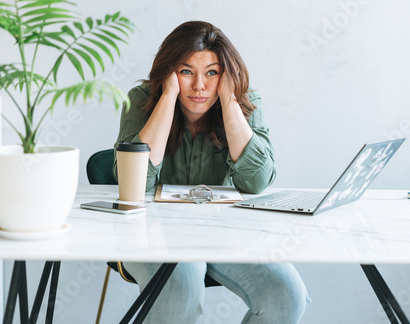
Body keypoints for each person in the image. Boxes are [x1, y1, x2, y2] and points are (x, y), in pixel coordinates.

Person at [114, 21, 310, 323]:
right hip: (150, 234)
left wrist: (230, 100)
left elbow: (257, 182)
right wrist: (167, 98)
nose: (199, 86)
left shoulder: (246, 101)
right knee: (183, 274)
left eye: (212, 73)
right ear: (169, 73)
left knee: (286, 294)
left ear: (226, 75)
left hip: (223, 233)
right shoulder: (142, 99)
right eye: (186, 71)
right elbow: (135, 186)